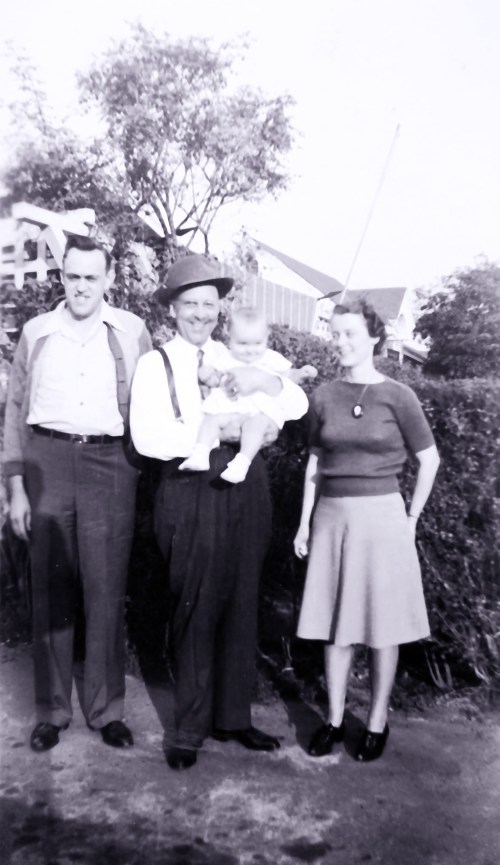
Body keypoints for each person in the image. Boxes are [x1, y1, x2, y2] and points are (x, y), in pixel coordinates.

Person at [130, 253, 308, 770]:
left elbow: (294, 405)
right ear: (173, 309)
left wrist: (269, 386)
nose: (202, 313)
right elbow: (149, 437)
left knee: (241, 599)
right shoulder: (154, 363)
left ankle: (233, 717)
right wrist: (229, 431)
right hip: (190, 487)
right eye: (191, 304)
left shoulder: (241, 354)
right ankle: (188, 728)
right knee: (197, 603)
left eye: (210, 303)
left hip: (246, 485)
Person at [3, 234, 152, 753]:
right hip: (47, 461)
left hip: (111, 463)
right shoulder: (36, 333)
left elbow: (153, 407)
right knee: (50, 590)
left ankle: (107, 710)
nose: (82, 286)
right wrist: (15, 487)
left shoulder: (133, 332)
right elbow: (15, 414)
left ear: (109, 279)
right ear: (61, 276)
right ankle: (51, 713)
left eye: (92, 276)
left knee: (106, 588)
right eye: (73, 276)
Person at [293, 299, 440, 762]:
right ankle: (335, 720)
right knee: (336, 627)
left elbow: (429, 460)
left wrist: (411, 517)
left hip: (382, 520)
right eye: (335, 334)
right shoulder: (322, 397)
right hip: (333, 517)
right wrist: (304, 522)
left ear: (374, 337)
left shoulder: (399, 395)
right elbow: (315, 462)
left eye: (350, 334)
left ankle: (377, 721)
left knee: (382, 627)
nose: (341, 342)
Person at [179, 306, 316, 483]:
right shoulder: (226, 358)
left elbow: (287, 376)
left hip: (259, 409)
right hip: (230, 408)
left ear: (267, 337)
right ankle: (200, 452)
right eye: (242, 344)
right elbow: (215, 379)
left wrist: (301, 373)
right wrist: (207, 375)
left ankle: (242, 463)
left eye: (257, 344)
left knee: (256, 426)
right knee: (211, 419)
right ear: (230, 338)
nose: (250, 350)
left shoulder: (271, 358)